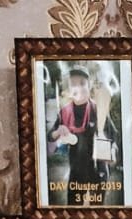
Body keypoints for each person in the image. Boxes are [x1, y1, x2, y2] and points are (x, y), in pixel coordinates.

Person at [46, 65, 117, 206]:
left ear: (89, 86)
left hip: (99, 171)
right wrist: (58, 131)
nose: (78, 87)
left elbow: (114, 135)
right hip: (77, 172)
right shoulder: (65, 112)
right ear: (70, 88)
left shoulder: (98, 109)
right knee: (73, 211)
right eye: (73, 84)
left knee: (98, 213)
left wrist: (112, 150)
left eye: (82, 83)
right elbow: (50, 136)